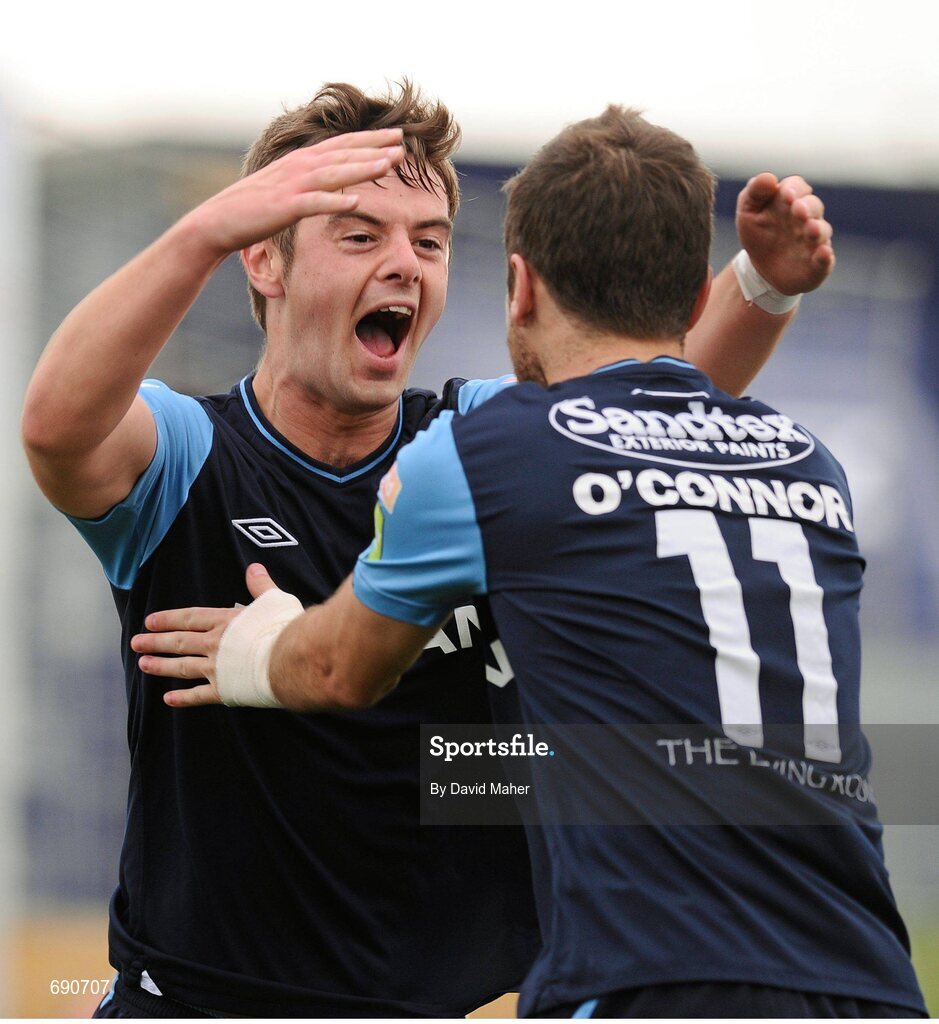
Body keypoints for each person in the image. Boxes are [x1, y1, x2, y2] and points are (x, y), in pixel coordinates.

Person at [23, 81, 836, 1018]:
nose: (405, 264)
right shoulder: (190, 452)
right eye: (360, 235)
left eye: (429, 239)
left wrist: (764, 283)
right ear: (264, 259)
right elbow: (56, 428)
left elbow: (649, 411)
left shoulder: (475, 443)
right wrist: (202, 230)